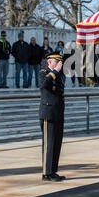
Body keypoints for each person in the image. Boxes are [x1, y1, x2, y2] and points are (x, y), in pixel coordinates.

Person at [39, 51, 66, 182]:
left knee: (56, 143)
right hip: (48, 113)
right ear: (50, 61)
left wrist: (57, 72)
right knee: (48, 144)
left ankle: (53, 170)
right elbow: (44, 84)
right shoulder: (43, 72)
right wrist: (54, 72)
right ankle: (46, 173)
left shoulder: (60, 75)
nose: (60, 63)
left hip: (58, 112)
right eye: (57, 61)